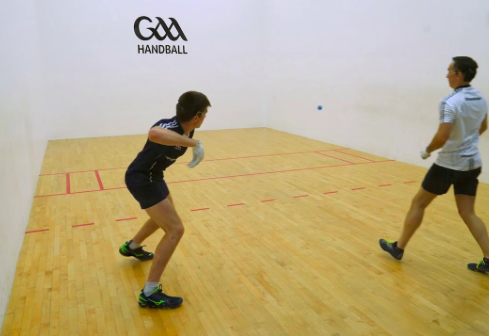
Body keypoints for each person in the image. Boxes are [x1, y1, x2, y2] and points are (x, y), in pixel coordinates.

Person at [379, 56, 489, 273]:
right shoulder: (480, 98)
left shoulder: (450, 102)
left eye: (449, 71)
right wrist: (466, 141)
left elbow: (443, 136)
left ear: (459, 74)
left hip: (448, 165)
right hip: (472, 164)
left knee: (418, 203)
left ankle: (398, 248)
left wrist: (427, 150)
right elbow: (484, 124)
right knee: (468, 212)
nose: (446, 75)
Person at [119, 91, 210, 308]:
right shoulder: (170, 126)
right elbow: (154, 133)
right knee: (175, 229)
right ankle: (150, 293)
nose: (206, 117)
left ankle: (132, 246)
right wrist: (194, 144)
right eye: (205, 113)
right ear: (197, 115)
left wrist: (191, 142)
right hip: (142, 179)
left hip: (154, 176)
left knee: (167, 215)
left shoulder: (189, 129)